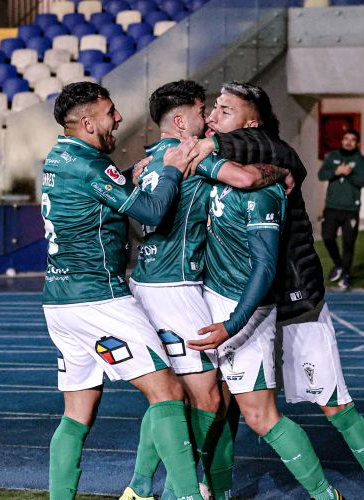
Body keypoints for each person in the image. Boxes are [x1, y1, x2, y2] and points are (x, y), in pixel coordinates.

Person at [193, 81, 364, 500]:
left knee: (333, 402)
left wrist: (208, 148)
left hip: (293, 302)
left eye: (225, 110)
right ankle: (214, 486)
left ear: (251, 124)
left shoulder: (274, 153)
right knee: (227, 402)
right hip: (247, 304)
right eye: (213, 108)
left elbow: (271, 157)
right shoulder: (229, 164)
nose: (212, 117)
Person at [121, 80, 292, 500]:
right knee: (209, 398)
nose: (209, 118)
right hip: (174, 287)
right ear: (181, 121)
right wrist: (282, 171)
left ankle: (141, 488)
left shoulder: (151, 157)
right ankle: (178, 491)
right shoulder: (190, 156)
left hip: (147, 280)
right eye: (203, 111)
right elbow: (245, 177)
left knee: (169, 394)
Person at [41, 82, 203, 500]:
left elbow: (96, 195)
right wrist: (171, 169)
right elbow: (150, 211)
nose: (118, 118)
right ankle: (188, 495)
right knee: (168, 392)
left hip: (59, 302)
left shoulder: (59, 157)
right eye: (110, 112)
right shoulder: (91, 167)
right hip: (99, 298)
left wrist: (127, 180)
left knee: (77, 414)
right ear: (87, 122)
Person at [318, 129, 364, 291]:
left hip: (351, 209)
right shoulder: (332, 156)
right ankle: (339, 265)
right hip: (332, 207)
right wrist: (336, 171)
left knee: (348, 243)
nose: (349, 142)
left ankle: (345, 274)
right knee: (327, 236)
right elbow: (321, 175)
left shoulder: (360, 160)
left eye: (352, 140)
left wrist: (348, 173)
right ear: (342, 141)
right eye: (346, 138)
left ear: (357, 143)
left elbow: (362, 181)